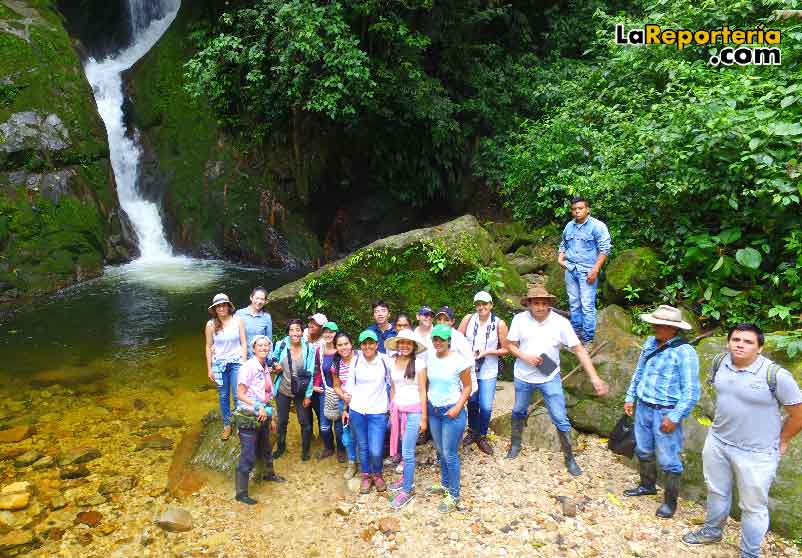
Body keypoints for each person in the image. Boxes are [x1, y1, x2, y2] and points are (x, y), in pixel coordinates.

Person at [682, 324, 802, 556]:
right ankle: (712, 531)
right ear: (728, 342)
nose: (740, 344)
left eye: (748, 342)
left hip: (756, 452)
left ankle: (749, 553)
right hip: (718, 441)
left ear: (760, 348)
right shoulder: (720, 362)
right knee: (716, 491)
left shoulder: (776, 375)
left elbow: (798, 415)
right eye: (736, 339)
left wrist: (783, 440)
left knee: (753, 507)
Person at [505, 286, 608, 475]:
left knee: (560, 418)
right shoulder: (519, 320)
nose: (541, 307)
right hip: (523, 375)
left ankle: (569, 458)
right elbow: (509, 344)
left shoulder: (560, 323)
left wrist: (595, 377)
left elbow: (579, 349)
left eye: (544, 303)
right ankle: (515, 444)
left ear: (550, 304)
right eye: (536, 303)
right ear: (528, 304)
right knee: (519, 410)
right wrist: (525, 357)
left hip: (549, 377)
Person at [623, 304, 700, 519]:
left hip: (665, 411)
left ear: (674, 328)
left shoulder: (685, 352)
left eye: (661, 324)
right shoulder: (650, 343)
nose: (656, 327)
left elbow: (692, 392)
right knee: (643, 450)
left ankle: (670, 503)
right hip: (644, 407)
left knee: (668, 460)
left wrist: (674, 417)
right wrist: (631, 396)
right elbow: (639, 372)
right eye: (655, 323)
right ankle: (647, 485)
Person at [233, 335, 286, 505]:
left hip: (264, 415)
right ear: (253, 348)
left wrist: (272, 417)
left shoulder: (264, 367)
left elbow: (267, 394)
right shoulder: (248, 367)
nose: (264, 348)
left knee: (266, 449)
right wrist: (258, 407)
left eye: (266, 345)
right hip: (249, 416)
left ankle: (269, 474)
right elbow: (240, 394)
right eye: (260, 345)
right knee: (248, 455)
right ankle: (241, 493)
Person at [425, 324, 472, 513]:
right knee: (439, 450)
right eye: (435, 339)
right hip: (434, 410)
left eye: (441, 339)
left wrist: (458, 406)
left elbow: (467, 387)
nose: (437, 342)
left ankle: (454, 493)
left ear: (448, 341)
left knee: (450, 453)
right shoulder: (430, 358)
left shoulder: (459, 361)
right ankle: (444, 485)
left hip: (452, 412)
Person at [457, 291, 509, 455]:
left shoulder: (499, 323)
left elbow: (506, 349)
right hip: (470, 369)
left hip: (488, 369)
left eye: (484, 304)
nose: (481, 307)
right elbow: (457, 339)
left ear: (491, 305)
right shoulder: (468, 319)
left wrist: (487, 352)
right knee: (472, 402)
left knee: (485, 406)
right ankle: (472, 431)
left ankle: (482, 435)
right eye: (478, 304)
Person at [557, 196, 611, 345]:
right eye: (574, 209)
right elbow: (563, 243)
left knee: (587, 305)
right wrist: (560, 259)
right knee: (574, 303)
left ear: (587, 209)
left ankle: (588, 339)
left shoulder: (597, 226)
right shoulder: (569, 226)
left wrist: (595, 270)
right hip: (571, 269)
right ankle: (575, 335)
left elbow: (605, 249)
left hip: (588, 270)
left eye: (580, 208)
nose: (577, 212)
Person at [384, 329, 428, 509]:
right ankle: (404, 480)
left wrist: (424, 418)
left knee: (408, 451)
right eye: (401, 342)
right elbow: (394, 386)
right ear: (397, 344)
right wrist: (391, 406)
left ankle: (407, 489)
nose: (404, 346)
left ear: (413, 346)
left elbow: (423, 390)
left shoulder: (419, 364)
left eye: (408, 343)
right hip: (398, 410)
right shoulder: (392, 361)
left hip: (414, 411)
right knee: (403, 449)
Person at [344, 329, 392, 493]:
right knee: (363, 446)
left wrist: (393, 406)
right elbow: (349, 385)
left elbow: (393, 382)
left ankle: (377, 474)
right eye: (364, 343)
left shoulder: (385, 361)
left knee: (376, 448)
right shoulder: (356, 362)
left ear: (377, 345)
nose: (367, 346)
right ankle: (366, 476)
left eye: (371, 343)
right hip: (357, 410)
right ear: (361, 345)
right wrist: (346, 407)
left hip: (378, 411)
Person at [205, 293, 248, 441]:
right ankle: (227, 425)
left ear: (229, 306)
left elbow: (244, 342)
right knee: (223, 396)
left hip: (237, 362)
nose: (221, 308)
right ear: (215, 309)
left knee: (238, 395)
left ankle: (239, 424)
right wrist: (209, 368)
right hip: (219, 364)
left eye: (224, 305)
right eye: (218, 306)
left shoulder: (238, 321)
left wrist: (243, 363)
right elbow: (208, 346)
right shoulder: (211, 325)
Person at [271, 319, 315, 461]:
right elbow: (272, 360)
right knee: (282, 421)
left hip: (301, 391)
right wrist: (275, 366)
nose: (295, 333)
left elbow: (311, 373)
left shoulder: (309, 348)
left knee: (305, 422)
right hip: (283, 389)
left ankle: (305, 450)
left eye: (298, 329)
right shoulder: (281, 344)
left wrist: (308, 395)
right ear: (288, 332)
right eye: (291, 330)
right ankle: (281, 447)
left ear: (302, 332)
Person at [311, 322, 342, 460]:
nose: (328, 334)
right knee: (324, 426)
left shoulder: (342, 350)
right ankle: (329, 447)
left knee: (340, 427)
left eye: (332, 332)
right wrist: (315, 385)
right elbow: (318, 370)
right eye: (326, 332)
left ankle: (341, 450)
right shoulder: (320, 350)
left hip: (341, 392)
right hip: (325, 391)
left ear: (336, 333)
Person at [332, 331, 359, 479]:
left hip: (364, 402)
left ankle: (366, 464)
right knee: (347, 435)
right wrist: (343, 396)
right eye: (339, 345)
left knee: (362, 433)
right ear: (336, 347)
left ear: (351, 344)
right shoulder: (336, 363)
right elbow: (336, 385)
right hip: (346, 404)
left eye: (346, 344)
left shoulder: (361, 357)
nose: (343, 347)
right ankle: (352, 463)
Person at [235, 286, 273, 359]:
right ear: (251, 298)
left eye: (262, 299)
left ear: (265, 301)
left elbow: (269, 341)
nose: (259, 302)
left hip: (259, 359)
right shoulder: (240, 314)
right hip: (241, 358)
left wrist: (270, 361)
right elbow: (234, 338)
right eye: (257, 298)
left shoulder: (266, 317)